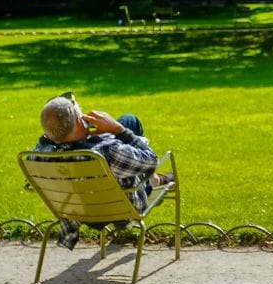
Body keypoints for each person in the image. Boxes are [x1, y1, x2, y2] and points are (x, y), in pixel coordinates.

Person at [35, 94, 172, 250]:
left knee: (127, 120)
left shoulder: (40, 156)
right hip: (122, 208)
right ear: (80, 121)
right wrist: (118, 130)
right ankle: (154, 181)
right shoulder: (107, 150)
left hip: (78, 211)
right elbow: (151, 160)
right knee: (130, 122)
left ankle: (153, 180)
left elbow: (49, 137)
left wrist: (83, 137)